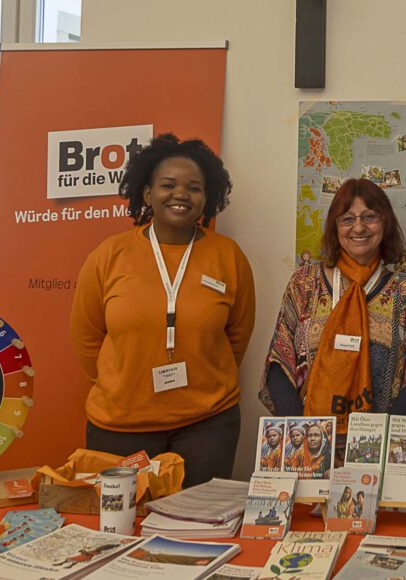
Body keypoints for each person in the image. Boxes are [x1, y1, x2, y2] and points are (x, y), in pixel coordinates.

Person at [70, 134, 255, 488]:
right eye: (167, 185)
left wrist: (204, 379)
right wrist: (125, 384)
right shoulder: (110, 255)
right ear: (146, 194)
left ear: (208, 197)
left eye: (195, 188)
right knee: (123, 528)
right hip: (120, 426)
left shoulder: (228, 256)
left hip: (208, 424)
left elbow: (238, 336)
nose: (181, 195)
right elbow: (87, 336)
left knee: (201, 528)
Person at [259, 178, 406, 436]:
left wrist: (381, 442)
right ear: (335, 227)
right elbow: (279, 362)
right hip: (308, 438)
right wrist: (303, 434)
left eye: (369, 217)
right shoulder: (304, 283)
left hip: (376, 443)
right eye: (347, 219)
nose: (359, 227)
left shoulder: (404, 292)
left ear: (385, 223)